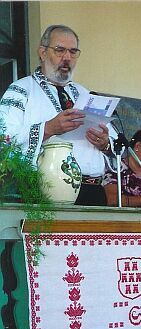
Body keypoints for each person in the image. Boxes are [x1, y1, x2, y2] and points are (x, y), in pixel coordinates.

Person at [0, 24, 117, 206]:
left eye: (73, 51)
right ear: (43, 52)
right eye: (60, 50)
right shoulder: (21, 90)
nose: (67, 58)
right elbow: (4, 140)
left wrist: (105, 143)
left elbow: (118, 148)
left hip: (93, 193)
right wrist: (47, 129)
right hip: (43, 193)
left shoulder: (86, 96)